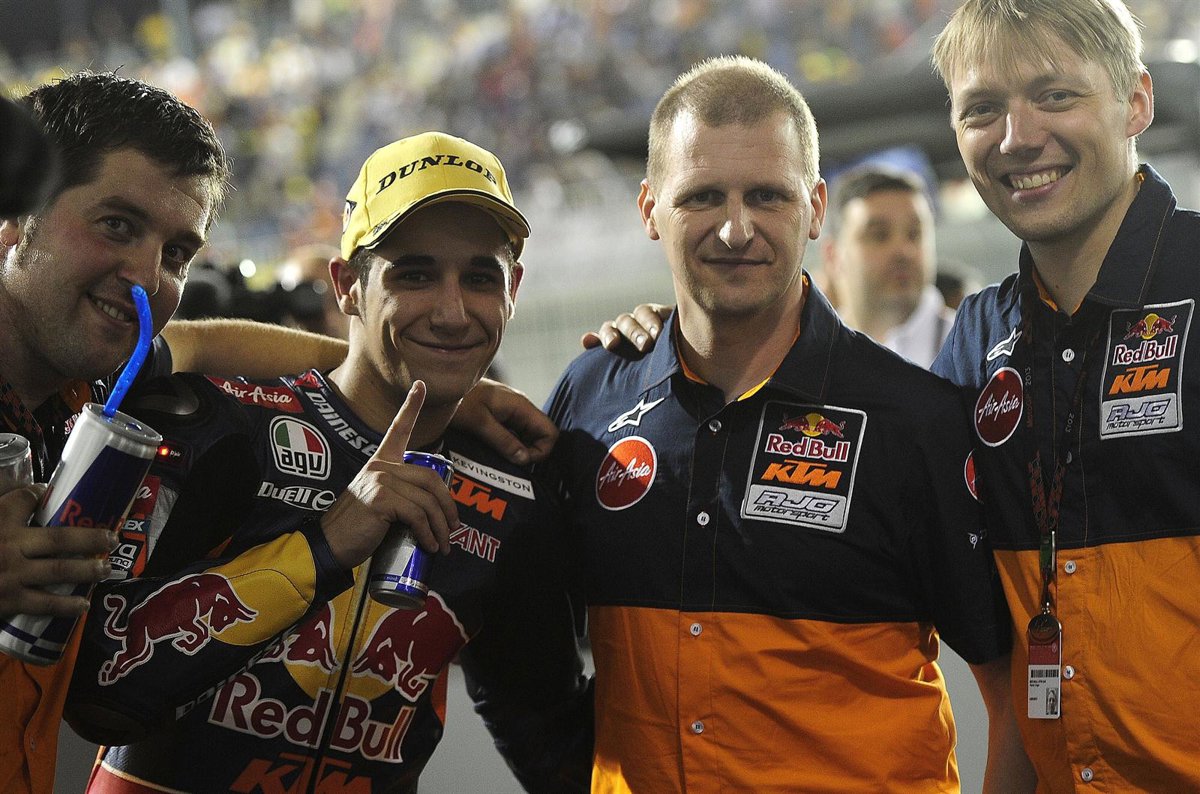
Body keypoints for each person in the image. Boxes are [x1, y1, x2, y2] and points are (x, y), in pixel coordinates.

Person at [0, 71, 555, 794]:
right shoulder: (196, 419)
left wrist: (437, 378)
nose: (145, 276)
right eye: (116, 225)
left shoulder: (89, 386)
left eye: (177, 253)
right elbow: (103, 691)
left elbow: (198, 340)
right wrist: (325, 544)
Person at [542, 55, 1020, 792]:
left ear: (816, 207)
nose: (737, 229)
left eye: (767, 195)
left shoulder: (914, 420)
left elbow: (1015, 687)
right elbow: (521, 639)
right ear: (648, 209)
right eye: (702, 197)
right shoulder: (591, 396)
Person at [930, 0, 1200, 789]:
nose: (1017, 137)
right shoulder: (976, 341)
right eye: (982, 109)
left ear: (1136, 102)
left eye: (1054, 95)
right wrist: (661, 354)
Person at [821, 165, 954, 368]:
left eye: (914, 234)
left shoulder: (975, 354)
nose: (904, 251)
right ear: (833, 256)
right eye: (879, 235)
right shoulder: (812, 361)